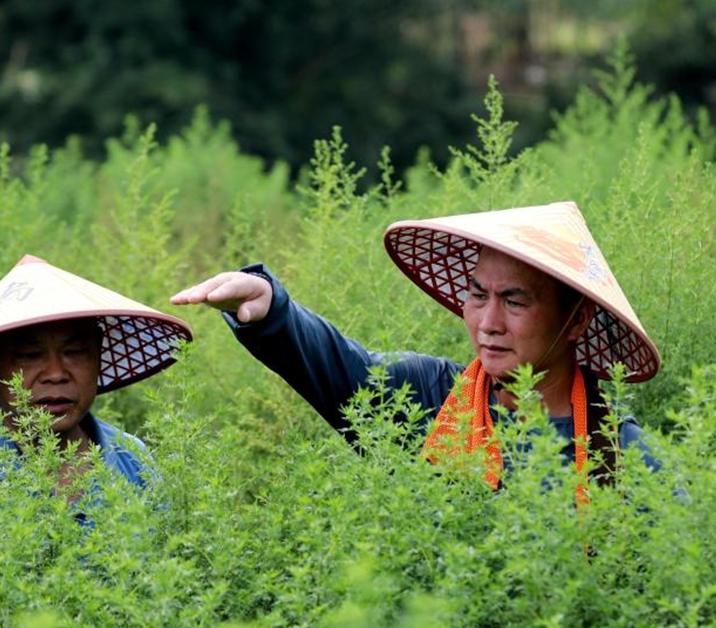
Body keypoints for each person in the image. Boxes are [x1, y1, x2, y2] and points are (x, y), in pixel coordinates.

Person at [171, 201, 662, 498]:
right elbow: (344, 370)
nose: (488, 323)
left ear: (575, 319)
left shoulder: (619, 453)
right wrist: (273, 306)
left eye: (515, 301)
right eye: (477, 295)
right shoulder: (431, 398)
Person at [0, 254, 192, 526]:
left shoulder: (133, 461)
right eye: (29, 356)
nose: (56, 374)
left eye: (75, 352)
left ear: (99, 355)